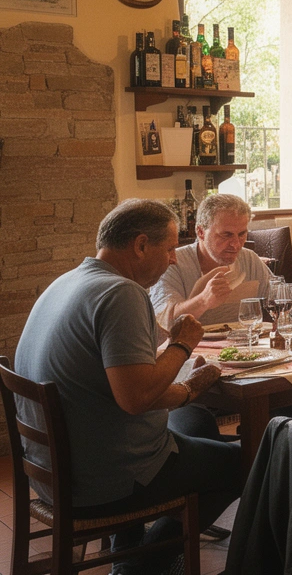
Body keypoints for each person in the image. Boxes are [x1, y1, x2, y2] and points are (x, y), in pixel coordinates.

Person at [16, 200, 240, 574]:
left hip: (52, 471)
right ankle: (143, 564)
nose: (172, 259)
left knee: (194, 423)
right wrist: (183, 346)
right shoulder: (121, 293)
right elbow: (136, 397)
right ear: (139, 245)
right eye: (169, 249)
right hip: (100, 478)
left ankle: (131, 546)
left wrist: (186, 390)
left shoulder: (69, 280)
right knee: (243, 463)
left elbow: (126, 378)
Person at [150, 192, 271, 330]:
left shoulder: (250, 260)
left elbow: (279, 300)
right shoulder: (173, 263)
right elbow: (163, 324)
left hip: (244, 347)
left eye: (242, 234)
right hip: (191, 349)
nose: (236, 244)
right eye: (226, 235)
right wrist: (203, 300)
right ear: (200, 232)